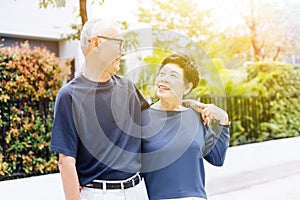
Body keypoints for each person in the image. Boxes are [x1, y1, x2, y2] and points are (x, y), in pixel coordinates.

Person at [50, 18, 149, 200]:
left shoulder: (128, 87)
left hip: (137, 190)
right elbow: (66, 162)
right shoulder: (69, 96)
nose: (123, 52)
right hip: (100, 194)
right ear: (97, 43)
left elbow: (155, 123)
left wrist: (190, 106)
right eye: (118, 43)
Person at [141, 54, 230, 200]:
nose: (164, 78)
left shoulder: (195, 117)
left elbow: (217, 158)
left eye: (173, 75)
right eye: (161, 73)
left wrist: (223, 120)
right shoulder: (142, 117)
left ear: (187, 87)